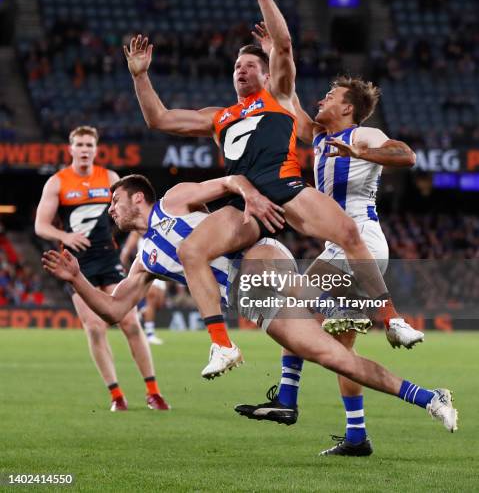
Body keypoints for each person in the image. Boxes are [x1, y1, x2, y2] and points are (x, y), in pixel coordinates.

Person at [124, 0, 417, 377]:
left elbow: (283, 46)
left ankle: (392, 320)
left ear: (266, 73)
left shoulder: (278, 97)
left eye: (249, 65)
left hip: (286, 188)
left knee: (349, 233)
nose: (241, 70)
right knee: (193, 251)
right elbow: (160, 119)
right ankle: (222, 346)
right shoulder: (219, 116)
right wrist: (140, 77)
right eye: (236, 67)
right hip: (246, 202)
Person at [42, 173, 458, 439]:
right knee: (338, 360)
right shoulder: (142, 261)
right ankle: (429, 398)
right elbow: (115, 312)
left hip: (256, 255)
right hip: (252, 302)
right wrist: (78, 278)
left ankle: (345, 306)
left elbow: (230, 181)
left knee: (256, 271)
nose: (109, 210)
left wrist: (251, 198)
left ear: (137, 198)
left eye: (114, 201)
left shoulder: (174, 199)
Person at [234, 22, 423, 456]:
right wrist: (275, 52)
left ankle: (288, 397)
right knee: (341, 351)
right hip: (336, 246)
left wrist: (362, 152)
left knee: (291, 307)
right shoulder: (319, 136)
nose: (322, 100)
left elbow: (406, 155)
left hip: (362, 243)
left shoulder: (362, 134)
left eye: (331, 97)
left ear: (348, 108)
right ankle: (356, 436)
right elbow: (286, 97)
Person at [34, 125, 168, 412]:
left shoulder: (109, 178)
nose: (84, 150)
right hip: (76, 264)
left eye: (89, 145)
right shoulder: (57, 182)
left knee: (130, 322)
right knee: (95, 328)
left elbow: (127, 215)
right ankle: (117, 395)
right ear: (71, 149)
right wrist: (65, 237)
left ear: (96, 149)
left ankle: (153, 392)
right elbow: (40, 225)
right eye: (79, 145)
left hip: (108, 259)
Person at [120, 231, 166, 345]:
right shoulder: (140, 229)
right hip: (148, 265)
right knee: (152, 297)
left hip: (163, 266)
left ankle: (140, 312)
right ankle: (150, 334)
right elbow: (130, 244)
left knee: (159, 303)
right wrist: (124, 259)